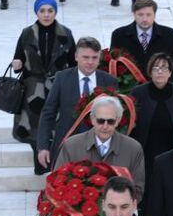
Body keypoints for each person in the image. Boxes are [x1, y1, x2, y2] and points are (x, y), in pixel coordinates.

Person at [49, 96, 145, 216]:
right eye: (100, 120)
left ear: (118, 121)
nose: (105, 126)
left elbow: (139, 190)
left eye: (110, 121)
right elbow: (55, 185)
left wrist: (112, 207)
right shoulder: (72, 145)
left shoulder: (133, 148)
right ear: (92, 119)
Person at [11, 0, 76, 174]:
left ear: (55, 12)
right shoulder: (27, 33)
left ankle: (53, 162)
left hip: (57, 86)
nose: (46, 15)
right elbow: (18, 57)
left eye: (50, 11)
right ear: (36, 12)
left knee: (55, 125)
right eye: (42, 11)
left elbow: (73, 62)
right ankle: (39, 162)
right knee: (34, 126)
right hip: (33, 89)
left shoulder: (66, 33)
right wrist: (17, 63)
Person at [35, 36, 117, 171]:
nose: (90, 62)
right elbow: (48, 113)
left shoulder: (109, 81)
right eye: (85, 57)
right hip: (66, 145)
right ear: (76, 57)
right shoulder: (62, 78)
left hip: (100, 147)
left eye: (94, 58)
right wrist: (43, 146)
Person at [129, 53, 173, 182]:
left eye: (164, 68)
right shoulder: (138, 92)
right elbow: (130, 123)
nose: (160, 71)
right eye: (155, 68)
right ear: (150, 72)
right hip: (146, 153)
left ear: (170, 73)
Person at [110, 0, 173, 82]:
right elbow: (113, 64)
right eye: (140, 14)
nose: (145, 19)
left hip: (160, 87)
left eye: (148, 15)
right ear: (134, 14)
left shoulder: (170, 35)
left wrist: (166, 83)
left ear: (154, 14)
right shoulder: (119, 35)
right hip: (130, 90)